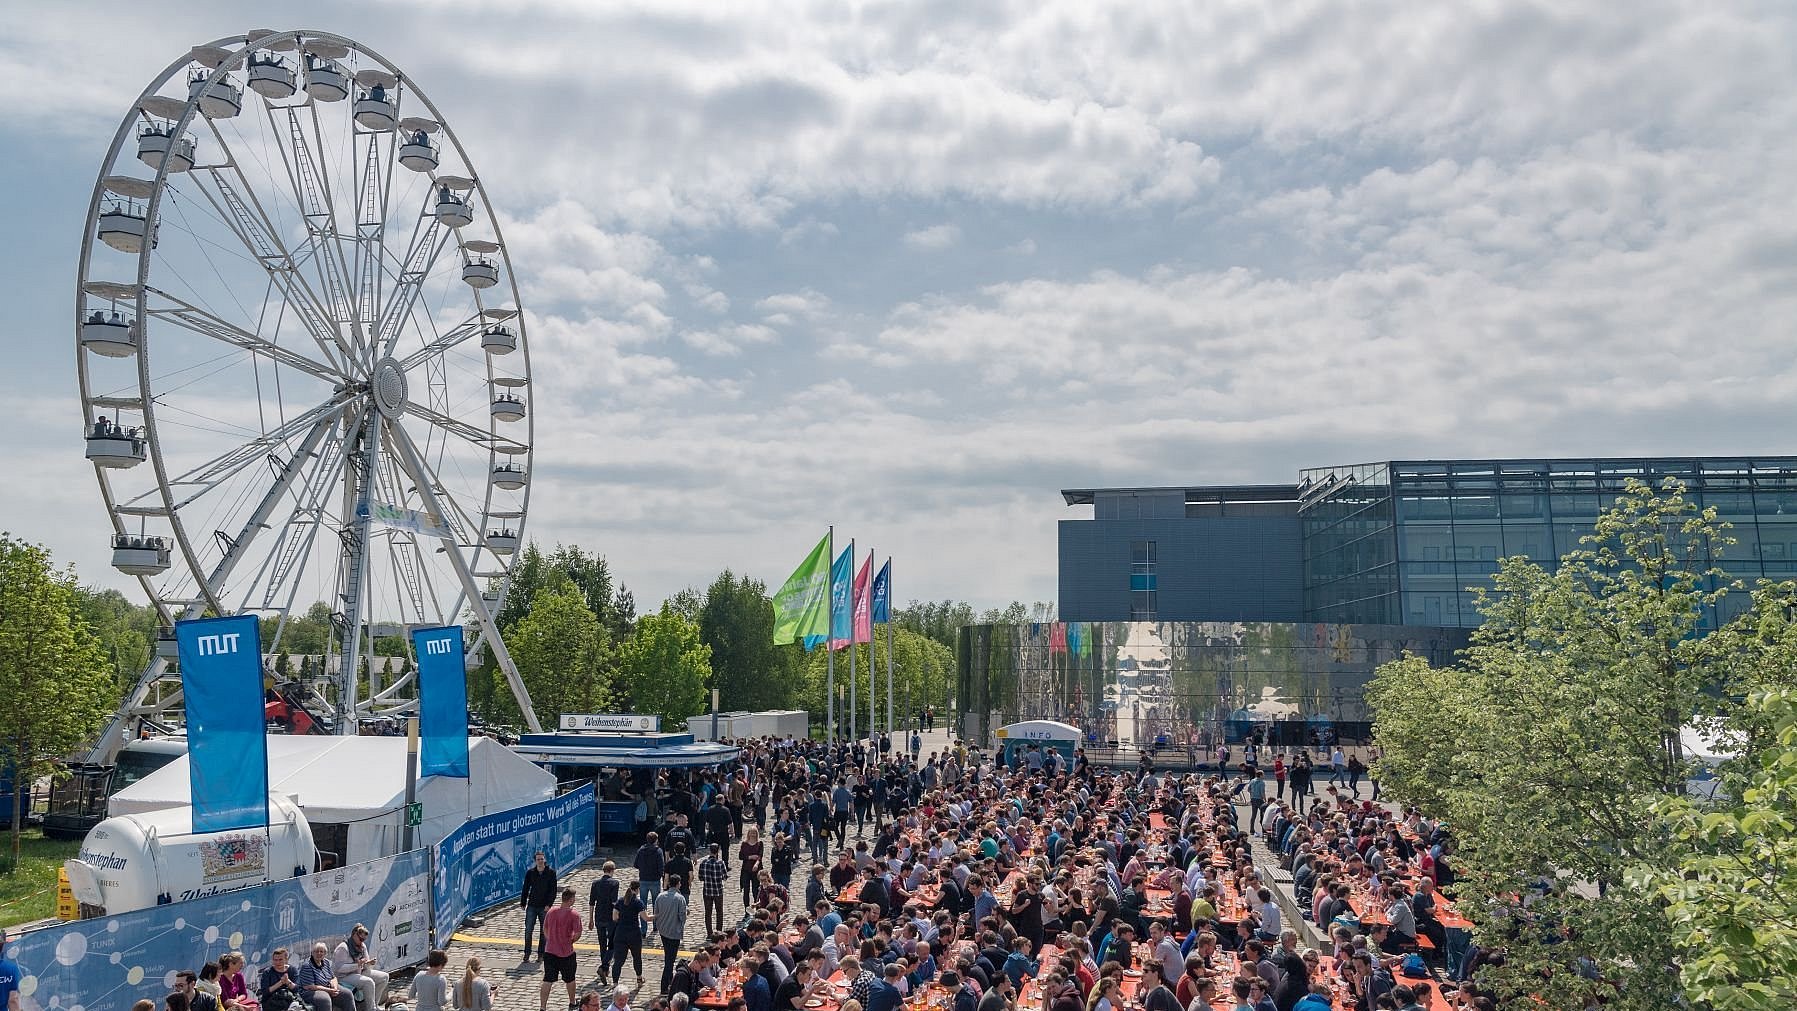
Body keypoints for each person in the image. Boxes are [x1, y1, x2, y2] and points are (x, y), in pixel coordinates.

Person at [541, 887, 583, 1011]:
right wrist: (570, 941)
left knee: (547, 979)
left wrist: (551, 940)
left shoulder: (551, 911)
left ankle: (542, 1006)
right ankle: (572, 1002)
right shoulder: (574, 914)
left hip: (550, 951)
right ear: (571, 900)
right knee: (570, 979)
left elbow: (545, 929)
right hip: (566, 953)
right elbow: (578, 933)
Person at [333, 923, 388, 1008]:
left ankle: (375, 1005)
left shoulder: (362, 946)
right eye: (361, 939)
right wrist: (357, 965)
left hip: (358, 973)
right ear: (354, 934)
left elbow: (366, 966)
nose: (362, 941)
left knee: (384, 977)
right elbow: (338, 968)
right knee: (368, 982)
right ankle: (371, 1009)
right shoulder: (343, 947)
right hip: (343, 977)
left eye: (364, 939)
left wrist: (369, 963)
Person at [656, 874, 691, 994]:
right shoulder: (680, 898)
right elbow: (682, 916)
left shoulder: (660, 896)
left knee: (668, 957)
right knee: (670, 961)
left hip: (663, 931)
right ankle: (664, 986)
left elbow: (656, 913)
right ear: (677, 884)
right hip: (674, 933)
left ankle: (669, 982)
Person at [521, 851, 557, 962]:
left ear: (545, 859)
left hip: (544, 906)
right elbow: (526, 888)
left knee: (543, 931)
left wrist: (549, 904)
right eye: (538, 859)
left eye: (542, 859)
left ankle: (541, 954)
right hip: (532, 905)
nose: (540, 861)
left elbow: (553, 890)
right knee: (528, 930)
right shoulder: (530, 873)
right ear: (535, 861)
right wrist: (523, 902)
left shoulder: (551, 873)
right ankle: (527, 953)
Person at [295, 944, 355, 1011]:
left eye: (321, 951)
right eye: (316, 951)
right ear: (312, 953)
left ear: (325, 953)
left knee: (347, 994)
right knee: (324, 999)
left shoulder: (325, 962)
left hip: (327, 987)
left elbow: (333, 977)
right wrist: (329, 990)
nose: (319, 953)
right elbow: (310, 986)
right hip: (310, 991)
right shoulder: (307, 966)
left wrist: (334, 988)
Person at [611, 879, 647, 984]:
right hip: (634, 934)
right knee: (637, 957)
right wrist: (657, 916)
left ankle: (615, 982)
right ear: (638, 889)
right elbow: (646, 918)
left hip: (620, 933)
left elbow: (614, 917)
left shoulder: (620, 901)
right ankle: (639, 978)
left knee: (618, 961)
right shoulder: (638, 902)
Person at [590, 860, 621, 973]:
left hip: (598, 915)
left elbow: (591, 902)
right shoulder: (615, 883)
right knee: (612, 943)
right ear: (612, 870)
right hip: (610, 916)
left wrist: (590, 919)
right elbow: (614, 902)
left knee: (602, 943)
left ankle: (604, 967)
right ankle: (604, 966)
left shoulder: (595, 883)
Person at [699, 842, 730, 934]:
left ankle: (709, 932)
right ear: (718, 851)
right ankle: (719, 931)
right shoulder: (720, 863)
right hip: (718, 891)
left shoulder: (704, 863)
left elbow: (700, 877)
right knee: (719, 912)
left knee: (708, 912)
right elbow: (725, 876)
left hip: (707, 891)